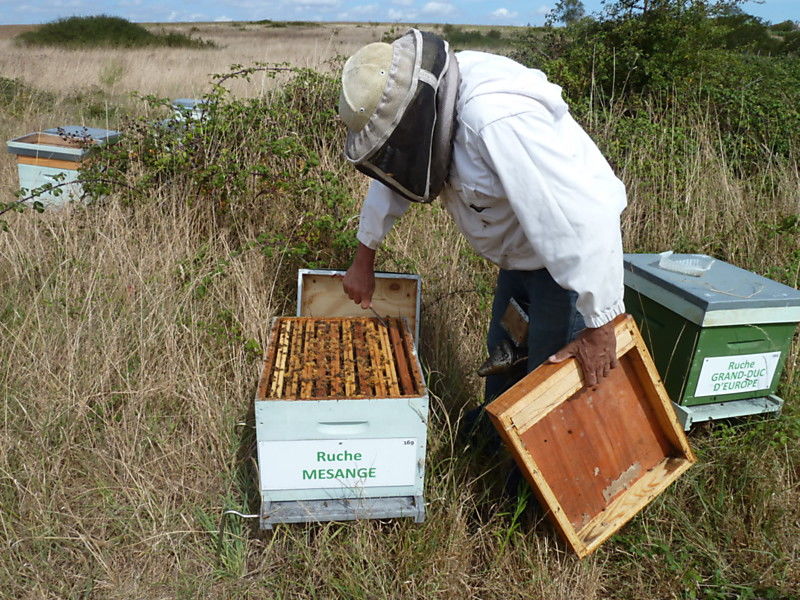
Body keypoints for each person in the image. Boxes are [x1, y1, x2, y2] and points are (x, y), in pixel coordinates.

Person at [338, 29, 626, 407]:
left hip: (569, 276)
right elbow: (394, 172)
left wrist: (601, 323)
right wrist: (364, 258)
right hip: (518, 260)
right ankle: (492, 449)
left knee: (549, 394)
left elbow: (581, 218)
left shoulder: (498, 121)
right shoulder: (423, 103)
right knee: (504, 361)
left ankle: (523, 468)